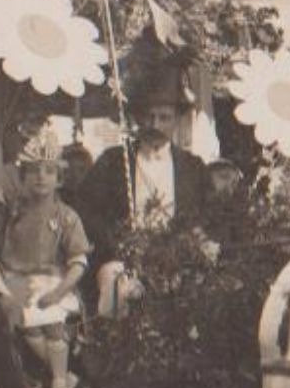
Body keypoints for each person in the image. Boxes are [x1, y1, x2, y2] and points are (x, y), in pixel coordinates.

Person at [75, 55, 210, 317]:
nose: (155, 125)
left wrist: (192, 242)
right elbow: (85, 210)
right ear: (136, 118)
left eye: (164, 117)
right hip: (122, 261)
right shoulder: (114, 162)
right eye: (148, 117)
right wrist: (118, 241)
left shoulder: (194, 169)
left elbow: (210, 216)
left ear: (177, 120)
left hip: (178, 262)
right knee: (118, 292)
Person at [0, 124, 92, 388]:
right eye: (34, 171)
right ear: (23, 177)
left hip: (51, 280)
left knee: (53, 324)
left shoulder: (66, 216)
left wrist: (61, 292)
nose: (41, 178)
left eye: (49, 171)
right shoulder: (13, 211)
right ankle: (64, 376)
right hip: (16, 279)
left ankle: (61, 383)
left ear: (59, 178)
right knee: (30, 327)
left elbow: (78, 262)